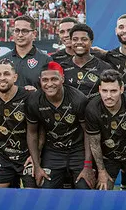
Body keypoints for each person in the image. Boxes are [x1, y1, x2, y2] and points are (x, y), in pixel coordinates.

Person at [25, 62, 93, 190]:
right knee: (45, 189)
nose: (49, 84)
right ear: (40, 81)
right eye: (45, 80)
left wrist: (88, 165)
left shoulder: (78, 99)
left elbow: (88, 132)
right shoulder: (34, 101)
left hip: (78, 150)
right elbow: (32, 133)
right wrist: (37, 166)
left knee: (84, 187)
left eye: (54, 79)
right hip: (53, 151)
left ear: (62, 78)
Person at [85, 70, 126, 191]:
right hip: (108, 158)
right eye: (105, 91)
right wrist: (101, 171)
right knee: (102, 190)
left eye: (113, 91)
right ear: (99, 89)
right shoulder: (92, 108)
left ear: (121, 89)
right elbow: (94, 143)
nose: (108, 96)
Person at [0, 60, 32, 188]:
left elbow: (39, 129)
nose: (2, 78)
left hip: (27, 156)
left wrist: (35, 155)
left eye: (6, 74)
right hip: (3, 156)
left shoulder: (29, 96)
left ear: (15, 77)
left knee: (33, 197)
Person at [0, 16, 52, 90]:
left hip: (35, 101)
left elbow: (52, 89)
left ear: (34, 34)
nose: (20, 35)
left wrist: (36, 94)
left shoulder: (45, 60)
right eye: (17, 30)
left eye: (24, 31)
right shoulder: (2, 60)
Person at [61, 23, 112, 97]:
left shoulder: (105, 68)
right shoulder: (63, 67)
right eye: (75, 39)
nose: (79, 42)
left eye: (84, 39)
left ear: (91, 42)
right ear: (71, 42)